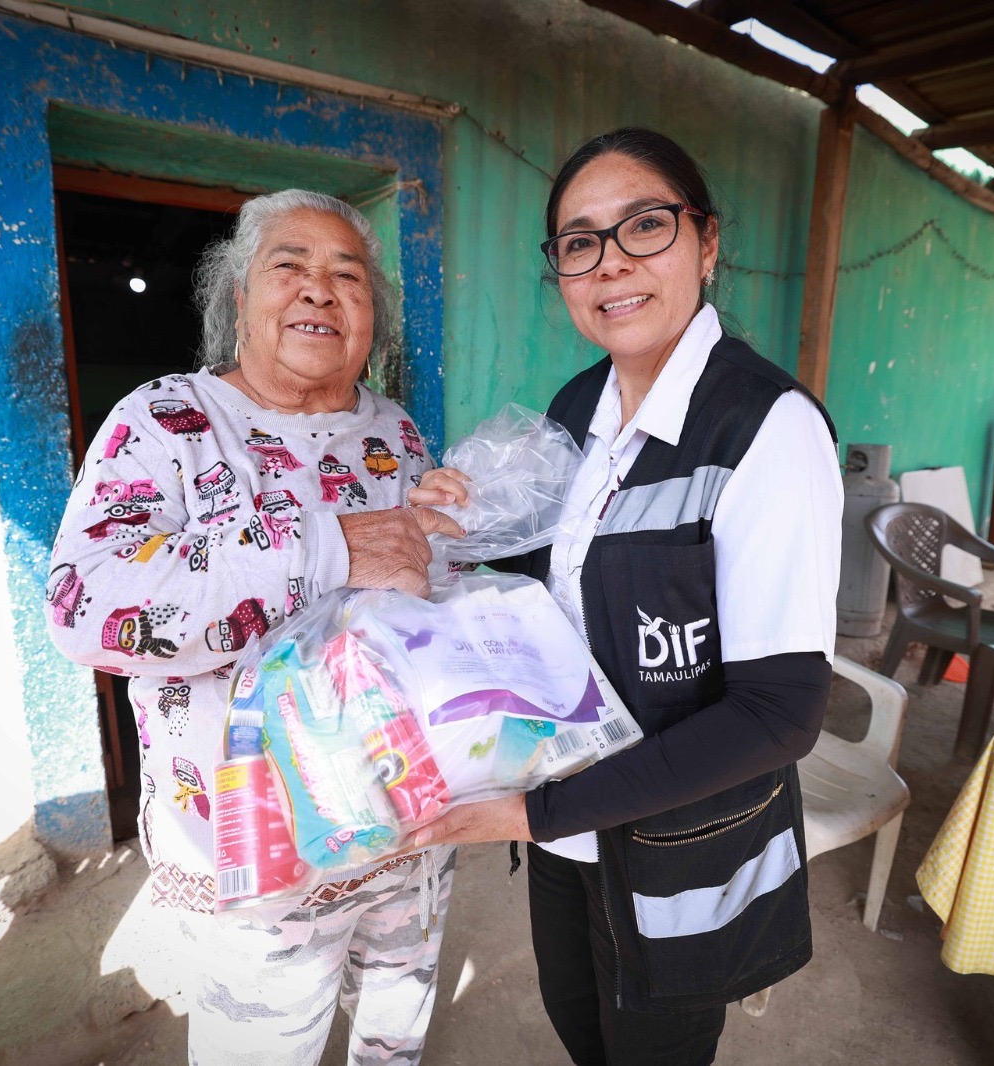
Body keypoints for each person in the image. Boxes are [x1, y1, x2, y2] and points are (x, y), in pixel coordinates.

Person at [408, 128, 843, 1065]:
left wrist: (532, 815)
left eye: (645, 226)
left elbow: (781, 713)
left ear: (707, 243)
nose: (612, 265)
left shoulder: (765, 428)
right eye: (579, 242)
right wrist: (462, 535)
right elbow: (553, 595)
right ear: (561, 272)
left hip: (679, 841)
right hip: (565, 824)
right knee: (581, 1027)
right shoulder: (577, 411)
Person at [46, 189, 463, 1065]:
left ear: (371, 317)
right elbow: (90, 604)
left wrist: (456, 536)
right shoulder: (165, 422)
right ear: (238, 299)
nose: (320, 291)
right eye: (291, 267)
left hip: (404, 824)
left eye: (348, 276)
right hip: (256, 852)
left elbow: (422, 597)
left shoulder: (394, 430)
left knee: (393, 1040)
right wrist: (327, 544)